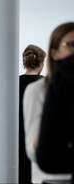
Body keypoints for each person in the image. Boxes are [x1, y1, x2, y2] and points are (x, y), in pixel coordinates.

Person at [23, 22, 74, 183]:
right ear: (54, 53)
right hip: (51, 178)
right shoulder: (37, 89)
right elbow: (33, 149)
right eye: (71, 45)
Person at [19, 44, 46, 183]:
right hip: (38, 137)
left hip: (17, 136)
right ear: (41, 63)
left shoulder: (14, 82)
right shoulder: (45, 84)